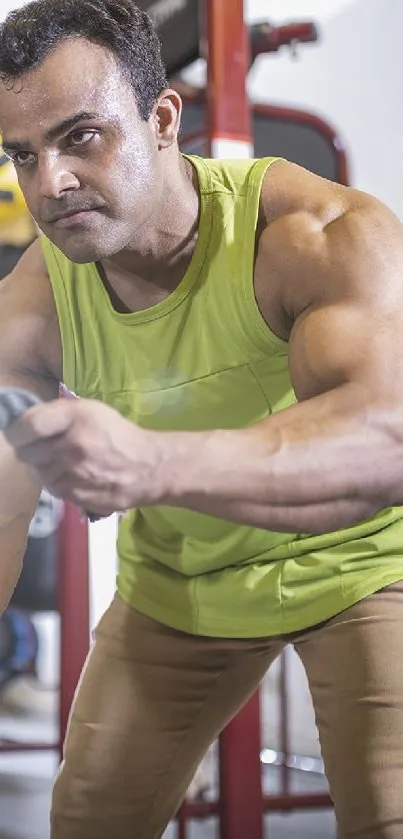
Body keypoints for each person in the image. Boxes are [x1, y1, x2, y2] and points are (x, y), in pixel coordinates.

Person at [0, 1, 403, 837]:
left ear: (161, 119)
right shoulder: (35, 299)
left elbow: (385, 442)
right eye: (22, 155)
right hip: (179, 585)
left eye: (81, 137)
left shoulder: (313, 235)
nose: (50, 184)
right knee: (86, 820)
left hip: (364, 568)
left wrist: (153, 466)